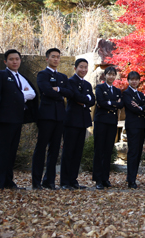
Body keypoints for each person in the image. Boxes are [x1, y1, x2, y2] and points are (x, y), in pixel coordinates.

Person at [0, 49, 38, 189]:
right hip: (6, 118)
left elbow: (33, 94)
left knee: (11, 151)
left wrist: (21, 94)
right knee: (2, 150)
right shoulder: (2, 74)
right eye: (11, 59)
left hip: (17, 118)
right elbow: (7, 93)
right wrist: (23, 94)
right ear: (6, 61)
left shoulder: (21, 77)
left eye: (17, 59)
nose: (15, 61)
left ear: (20, 61)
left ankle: (8, 181)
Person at [32, 48, 73, 190]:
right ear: (47, 58)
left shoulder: (63, 77)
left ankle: (49, 180)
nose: (56, 59)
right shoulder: (42, 74)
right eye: (53, 57)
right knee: (41, 147)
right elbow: (46, 91)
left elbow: (70, 92)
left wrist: (59, 90)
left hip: (60, 116)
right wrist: (59, 93)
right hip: (46, 115)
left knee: (55, 149)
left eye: (58, 57)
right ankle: (36, 181)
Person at [60, 58, 95, 190]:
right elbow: (75, 97)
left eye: (86, 67)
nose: (84, 70)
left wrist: (85, 99)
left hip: (83, 121)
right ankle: (64, 181)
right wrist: (86, 99)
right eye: (81, 67)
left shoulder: (87, 84)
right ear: (75, 68)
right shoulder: (70, 81)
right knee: (68, 151)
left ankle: (73, 180)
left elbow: (92, 100)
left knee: (78, 152)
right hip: (71, 121)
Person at [93, 66, 123, 190]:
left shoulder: (117, 91)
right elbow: (101, 102)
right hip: (101, 122)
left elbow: (121, 104)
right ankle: (98, 179)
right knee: (99, 150)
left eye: (113, 74)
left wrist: (110, 103)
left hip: (112, 122)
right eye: (109, 74)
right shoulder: (100, 87)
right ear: (105, 75)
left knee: (108, 150)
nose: (111, 76)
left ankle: (105, 178)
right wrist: (113, 103)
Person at [122, 71, 145, 189]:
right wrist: (141, 107)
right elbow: (133, 108)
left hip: (141, 125)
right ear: (128, 80)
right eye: (132, 79)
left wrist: (140, 107)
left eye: (136, 79)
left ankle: (132, 176)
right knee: (133, 152)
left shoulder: (141, 94)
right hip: (132, 125)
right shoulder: (126, 93)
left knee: (138, 152)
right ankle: (131, 180)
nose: (134, 81)